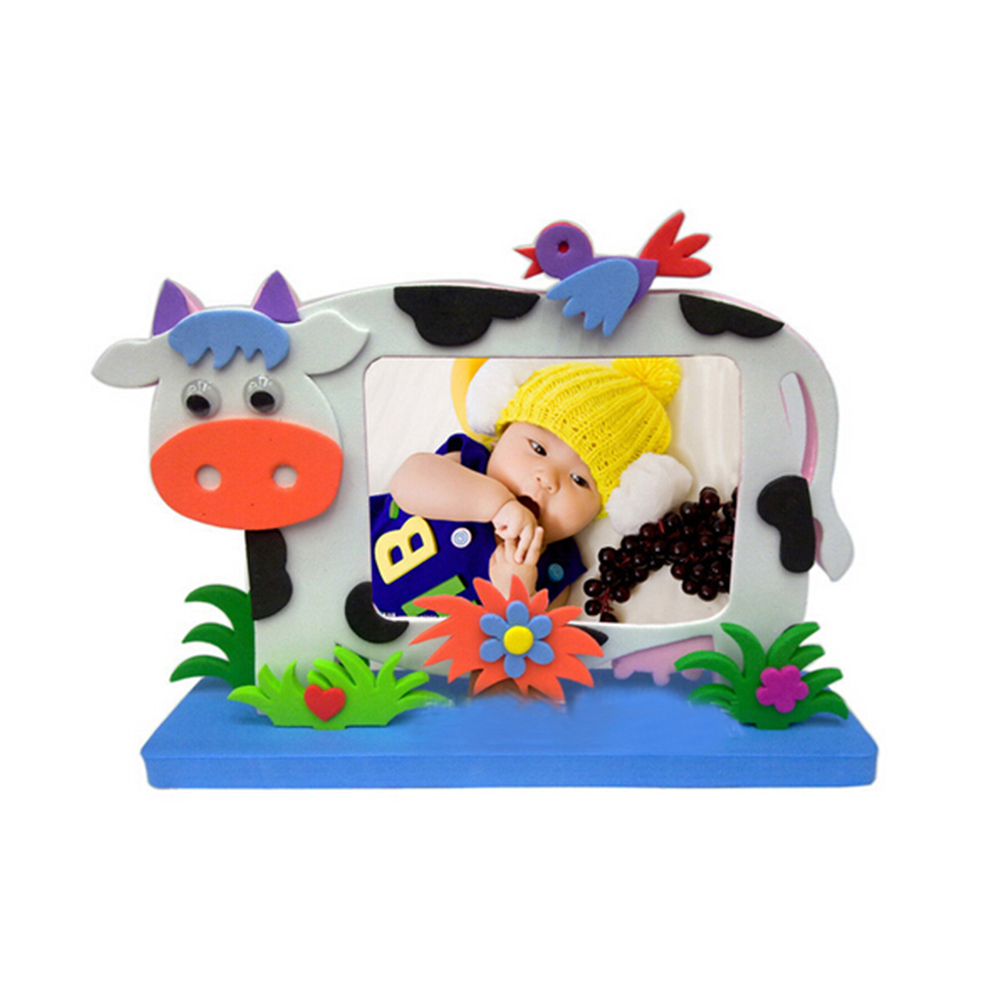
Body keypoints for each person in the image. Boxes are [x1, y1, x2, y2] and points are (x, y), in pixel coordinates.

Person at [369, 357, 683, 616]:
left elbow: (525, 651)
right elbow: (406, 482)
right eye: (537, 448)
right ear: (500, 437)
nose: (547, 478)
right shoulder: (466, 465)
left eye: (579, 480)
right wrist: (495, 504)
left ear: (600, 510)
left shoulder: (555, 571)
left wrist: (516, 596)